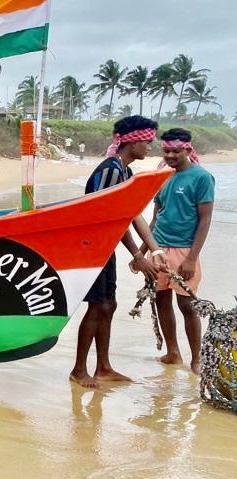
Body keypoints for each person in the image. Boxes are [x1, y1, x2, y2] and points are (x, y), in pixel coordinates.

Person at [71, 116, 167, 389]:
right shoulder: (111, 170)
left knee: (108, 305)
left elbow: (132, 214)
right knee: (98, 305)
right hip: (91, 247)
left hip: (105, 246)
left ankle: (103, 366)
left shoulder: (125, 172)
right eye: (148, 142)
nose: (150, 147)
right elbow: (109, 217)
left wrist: (152, 250)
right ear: (133, 141)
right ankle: (79, 369)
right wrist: (138, 256)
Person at [148, 128, 215, 373]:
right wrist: (142, 252)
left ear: (188, 149)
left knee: (187, 305)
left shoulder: (202, 177)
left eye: (176, 151)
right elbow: (155, 218)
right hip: (158, 249)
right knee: (161, 300)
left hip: (185, 250)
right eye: (166, 150)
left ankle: (196, 358)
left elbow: (205, 219)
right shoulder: (161, 176)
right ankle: (172, 352)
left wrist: (191, 258)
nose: (171, 155)